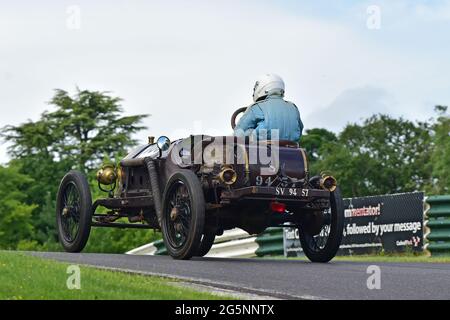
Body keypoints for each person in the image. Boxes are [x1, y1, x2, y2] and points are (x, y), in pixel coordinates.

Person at [233, 74, 303, 142]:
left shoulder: (256, 107)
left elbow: (238, 133)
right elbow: (300, 130)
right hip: (291, 150)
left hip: (264, 151)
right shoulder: (293, 108)